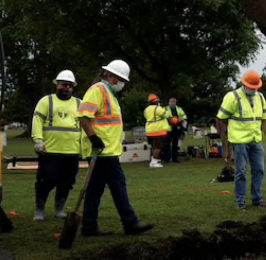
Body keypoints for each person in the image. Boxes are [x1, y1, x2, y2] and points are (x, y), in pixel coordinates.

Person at [77, 59, 154, 236]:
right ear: (110, 76)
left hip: (106, 150)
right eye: (120, 80)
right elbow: (83, 116)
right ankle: (130, 222)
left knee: (95, 189)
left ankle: (89, 227)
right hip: (102, 151)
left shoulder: (108, 94)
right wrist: (94, 138)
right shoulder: (98, 90)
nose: (122, 84)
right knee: (118, 184)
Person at [216, 70, 266, 210]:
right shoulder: (233, 96)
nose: (254, 90)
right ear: (244, 84)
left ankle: (258, 200)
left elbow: (264, 119)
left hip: (256, 140)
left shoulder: (260, 97)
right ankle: (240, 201)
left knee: (259, 170)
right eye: (251, 87)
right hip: (240, 140)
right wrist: (223, 135)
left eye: (256, 87)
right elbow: (220, 117)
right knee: (241, 170)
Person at [31, 70, 82, 222]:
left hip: (71, 151)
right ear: (56, 85)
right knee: (45, 180)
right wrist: (38, 140)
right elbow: (37, 121)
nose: (67, 88)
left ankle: (59, 209)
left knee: (67, 182)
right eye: (63, 85)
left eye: (70, 86)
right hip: (50, 151)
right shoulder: (46, 101)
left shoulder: (79, 103)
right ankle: (39, 210)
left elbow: (84, 127)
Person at [144, 94, 168, 168]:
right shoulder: (158, 108)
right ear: (156, 102)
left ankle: (154, 160)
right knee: (158, 147)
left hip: (149, 130)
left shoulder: (146, 109)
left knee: (153, 147)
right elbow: (166, 115)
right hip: (157, 130)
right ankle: (154, 162)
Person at [163, 97, 188, 163]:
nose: (172, 103)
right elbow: (163, 116)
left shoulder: (179, 109)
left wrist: (180, 119)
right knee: (167, 144)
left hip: (177, 128)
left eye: (173, 102)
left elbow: (184, 116)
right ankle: (167, 159)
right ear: (169, 102)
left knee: (175, 144)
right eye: (171, 101)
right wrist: (170, 119)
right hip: (168, 128)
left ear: (175, 102)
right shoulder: (165, 108)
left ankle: (175, 158)